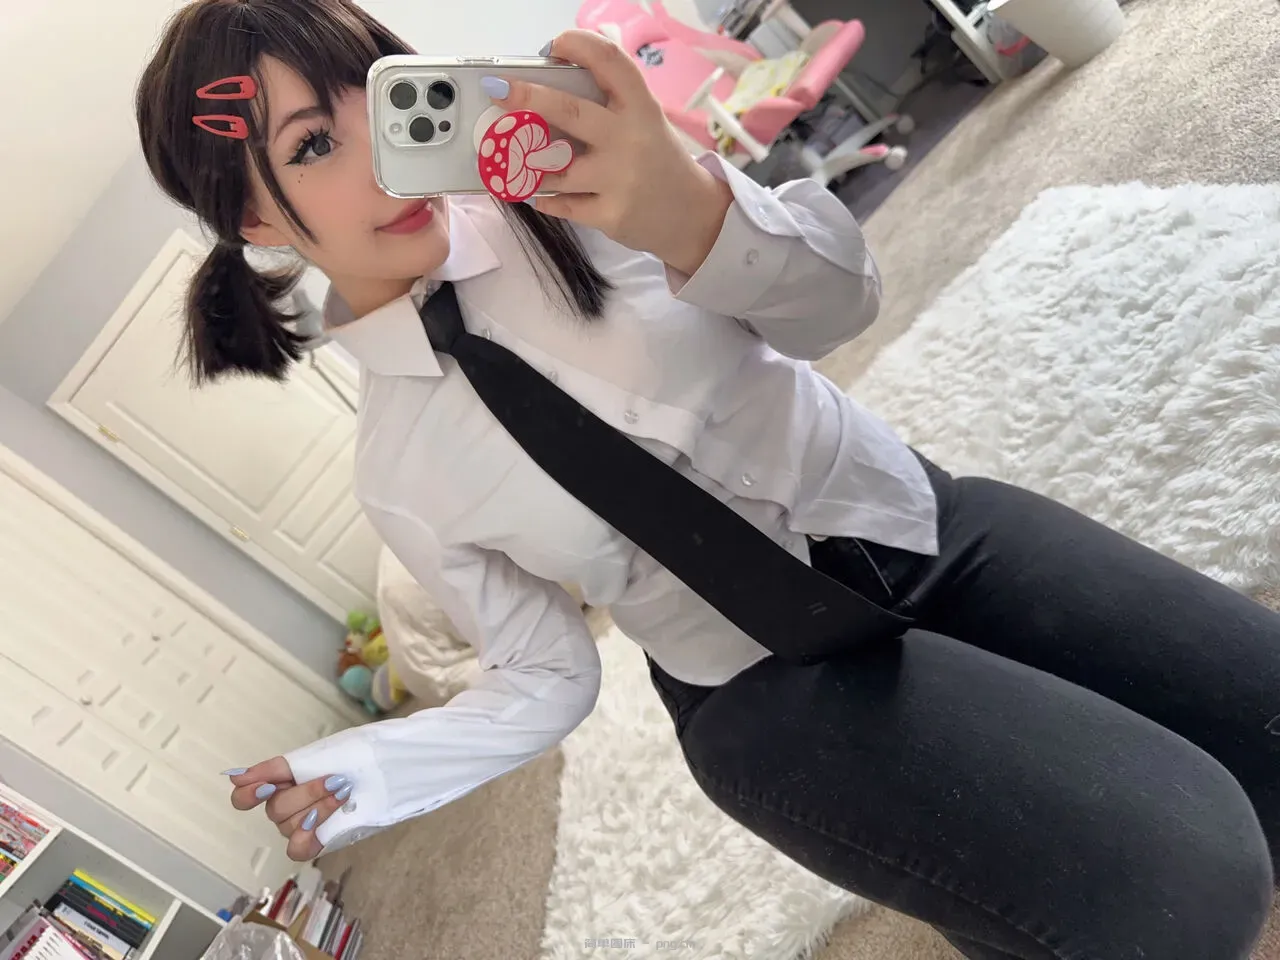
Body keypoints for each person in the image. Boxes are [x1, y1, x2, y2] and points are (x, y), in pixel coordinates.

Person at [136, 2, 1280, 957]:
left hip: (907, 521)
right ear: (254, 216)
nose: (383, 154)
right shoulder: (400, 470)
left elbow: (840, 305)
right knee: (1182, 880)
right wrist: (381, 765)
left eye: (379, 97)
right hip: (767, 692)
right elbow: (543, 675)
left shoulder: (585, 191)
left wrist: (688, 211)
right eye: (311, 146)